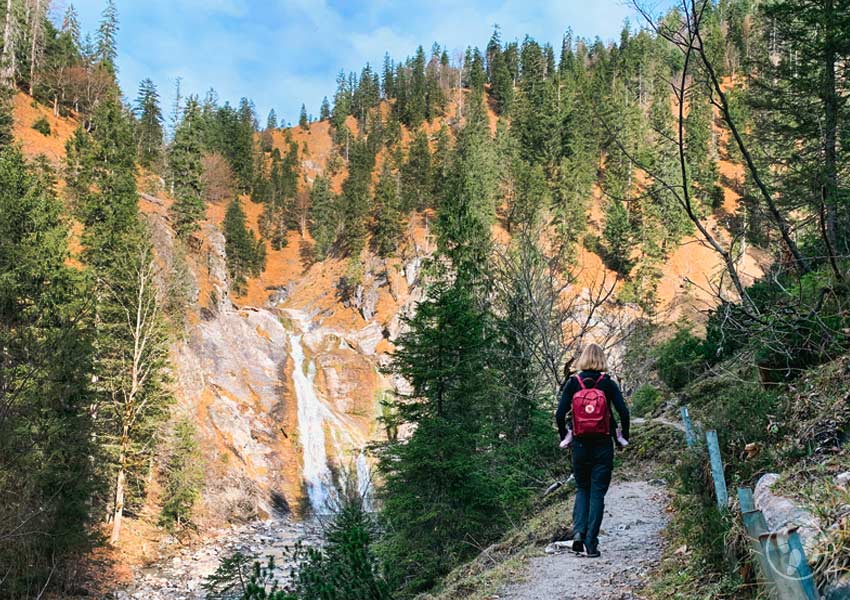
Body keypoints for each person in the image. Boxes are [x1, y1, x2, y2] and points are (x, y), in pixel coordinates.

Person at [555, 343, 630, 558]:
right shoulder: (607, 383)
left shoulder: (573, 383)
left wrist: (566, 437)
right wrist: (623, 436)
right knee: (597, 492)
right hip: (603, 444)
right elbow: (624, 412)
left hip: (579, 445)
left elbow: (560, 415)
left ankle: (578, 532)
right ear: (602, 360)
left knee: (582, 489)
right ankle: (591, 543)